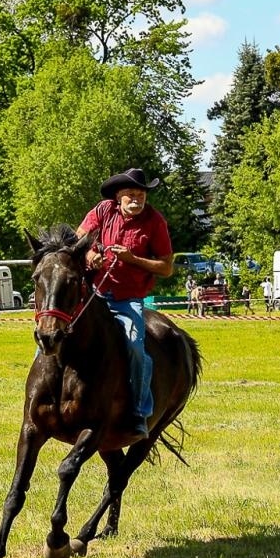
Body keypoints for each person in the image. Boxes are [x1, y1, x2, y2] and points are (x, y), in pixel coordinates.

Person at [78, 167, 174, 437]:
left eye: (141, 194)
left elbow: (166, 268)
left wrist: (133, 259)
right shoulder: (102, 211)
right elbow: (79, 238)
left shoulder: (155, 222)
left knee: (133, 345)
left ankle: (140, 413)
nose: (137, 199)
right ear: (118, 197)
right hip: (93, 293)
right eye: (130, 194)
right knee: (57, 333)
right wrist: (89, 254)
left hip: (127, 299)